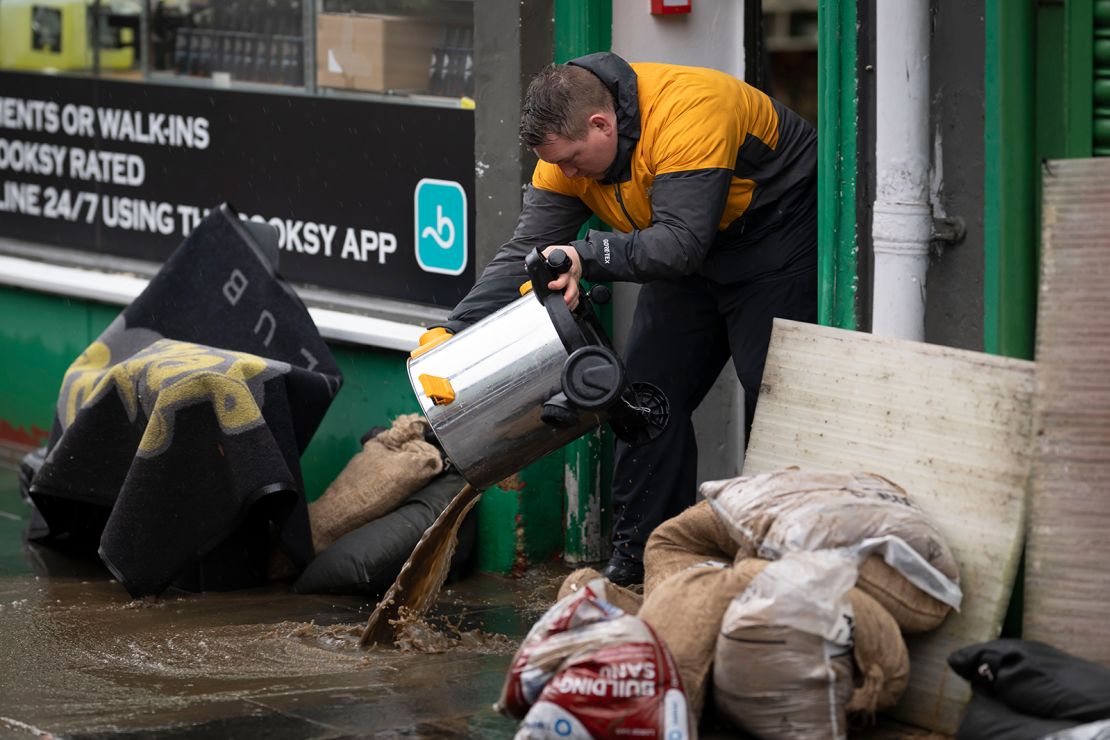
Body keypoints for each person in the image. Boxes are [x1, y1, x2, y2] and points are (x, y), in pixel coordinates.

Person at [439, 52, 818, 586]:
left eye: (573, 160)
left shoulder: (689, 110)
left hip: (775, 237)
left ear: (601, 123)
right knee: (642, 397)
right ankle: (643, 561)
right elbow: (527, 247)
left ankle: (784, 559)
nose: (568, 173)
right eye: (560, 164)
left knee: (774, 395)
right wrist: (452, 331)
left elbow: (681, 245)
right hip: (680, 245)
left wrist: (585, 255)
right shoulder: (565, 148)